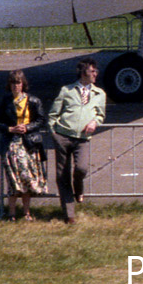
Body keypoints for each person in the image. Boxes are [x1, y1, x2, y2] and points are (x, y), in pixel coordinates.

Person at [47, 59, 107, 223]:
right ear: (83, 73)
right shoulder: (66, 90)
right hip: (63, 136)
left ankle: (78, 188)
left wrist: (95, 122)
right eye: (92, 71)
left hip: (82, 139)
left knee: (81, 168)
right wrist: (54, 132)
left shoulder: (99, 93)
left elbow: (101, 114)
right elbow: (53, 114)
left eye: (96, 71)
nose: (95, 74)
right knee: (62, 174)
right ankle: (69, 215)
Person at [0, 70, 48, 220]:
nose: (15, 86)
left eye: (18, 82)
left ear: (23, 84)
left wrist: (27, 127)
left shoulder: (33, 101)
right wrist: (10, 129)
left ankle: (26, 212)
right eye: (12, 82)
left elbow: (41, 120)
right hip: (11, 144)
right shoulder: (6, 101)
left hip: (28, 144)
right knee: (13, 179)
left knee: (26, 177)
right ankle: (11, 213)